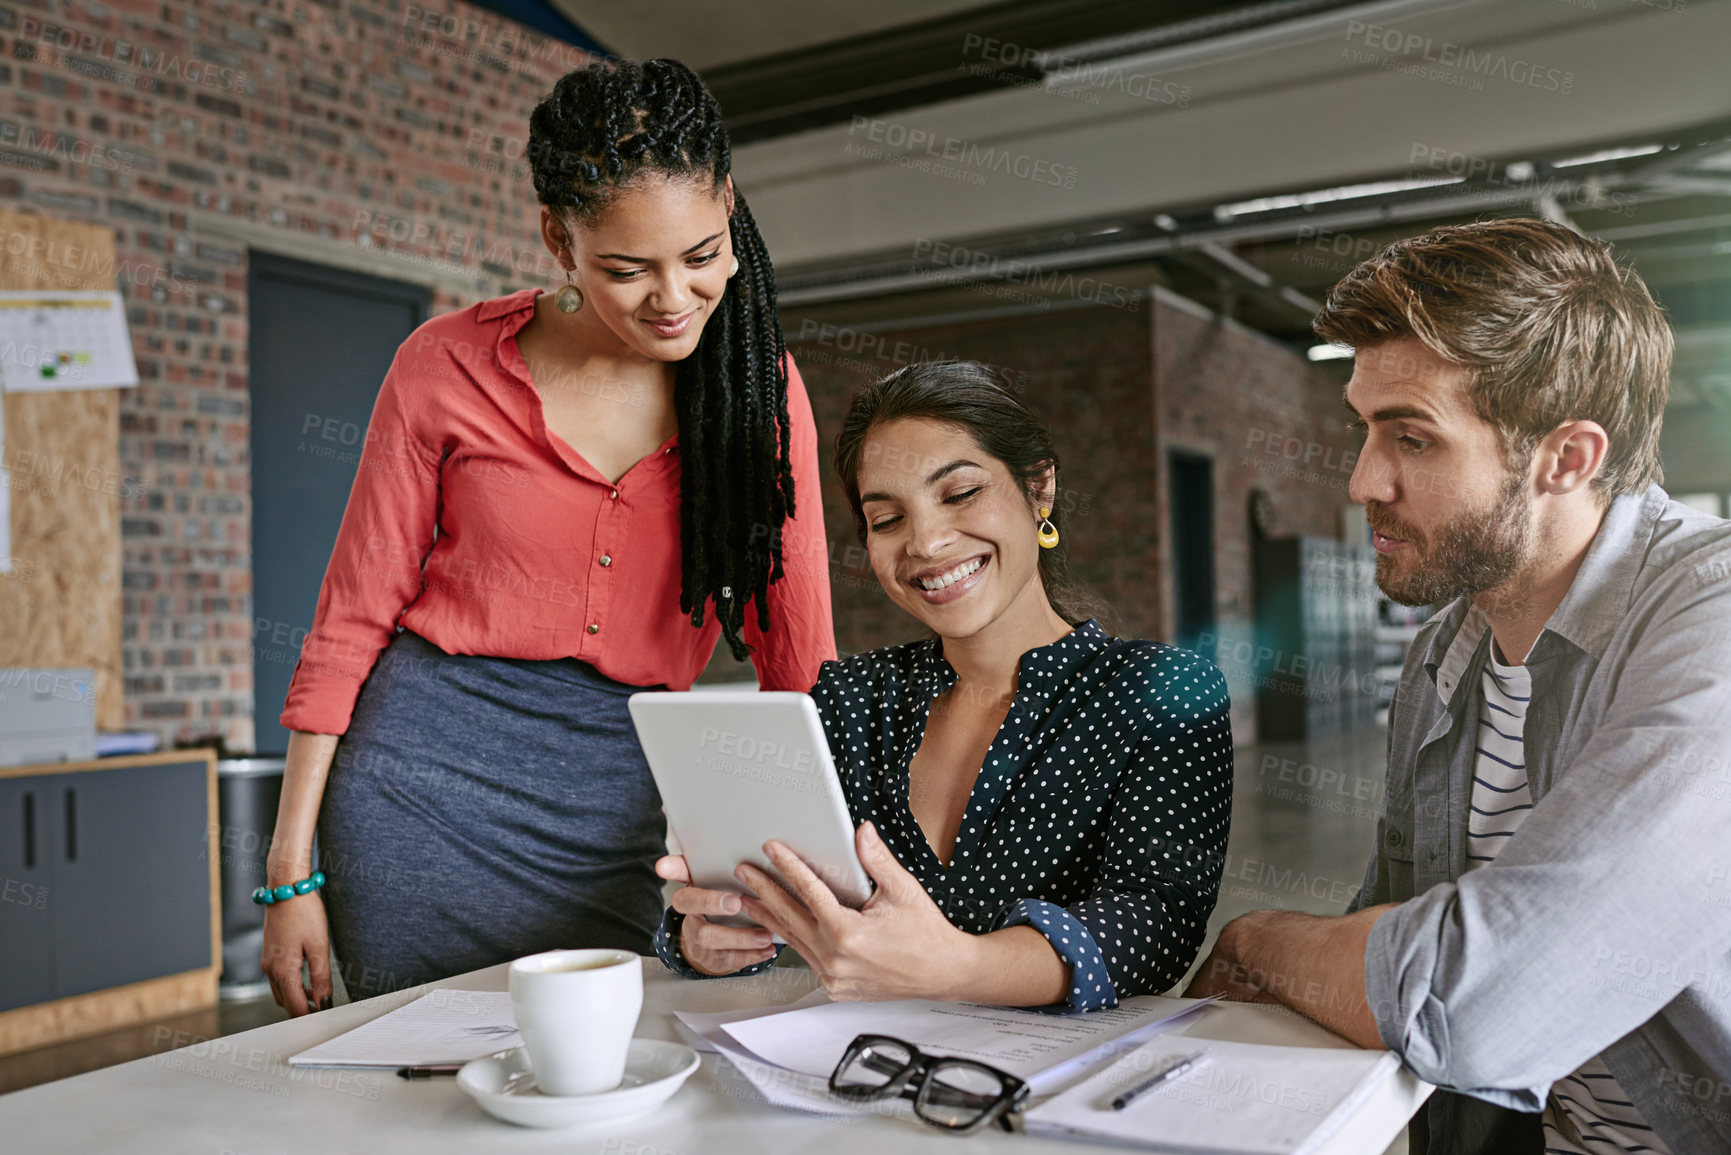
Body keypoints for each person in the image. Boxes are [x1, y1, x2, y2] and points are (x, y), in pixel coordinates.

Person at [260, 58, 836, 1015]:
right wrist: (290, 873)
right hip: (419, 788)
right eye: (625, 268)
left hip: (622, 809)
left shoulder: (756, 394)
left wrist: (810, 868)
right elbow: (351, 616)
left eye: (700, 254)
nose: (673, 296)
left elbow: (798, 654)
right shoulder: (442, 364)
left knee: (616, 1068)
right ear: (556, 240)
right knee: (425, 1071)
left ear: (729, 209)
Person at [1185, 219, 1731, 1154]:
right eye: (1365, 429)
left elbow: (1469, 1001)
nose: (1363, 479)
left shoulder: (1708, 626)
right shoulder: (1447, 646)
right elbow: (1386, 945)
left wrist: (1256, 938)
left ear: (1566, 458)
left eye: (1414, 440)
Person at [654, 361, 1233, 1011]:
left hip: (1056, 1084)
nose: (926, 541)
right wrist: (702, 935)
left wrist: (955, 965)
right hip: (860, 1070)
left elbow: (1155, 921)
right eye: (887, 518)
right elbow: (756, 886)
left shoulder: (1160, 689)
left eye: (958, 493)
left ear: (1038, 487)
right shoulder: (848, 699)